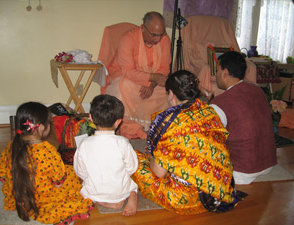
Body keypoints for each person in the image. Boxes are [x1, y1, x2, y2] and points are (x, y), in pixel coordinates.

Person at [132, 70, 246, 215]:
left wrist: (152, 157)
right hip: (219, 192)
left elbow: (158, 173)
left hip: (185, 199)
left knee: (133, 159)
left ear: (171, 94)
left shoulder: (167, 121)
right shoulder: (210, 112)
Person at [0, 102, 94, 225]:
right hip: (43, 199)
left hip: (17, 195)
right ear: (42, 127)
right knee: (70, 175)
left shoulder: (11, 145)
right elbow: (58, 184)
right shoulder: (48, 151)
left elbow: (2, 175)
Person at [211, 51, 277, 185]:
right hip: (268, 163)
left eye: (217, 70)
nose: (215, 75)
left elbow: (210, 139)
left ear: (225, 72)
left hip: (242, 170)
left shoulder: (220, 102)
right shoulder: (258, 91)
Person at [105, 11, 171, 139]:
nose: (158, 39)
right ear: (143, 28)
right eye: (154, 35)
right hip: (130, 80)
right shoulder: (128, 39)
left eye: (161, 34)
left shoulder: (165, 39)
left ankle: (155, 127)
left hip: (153, 84)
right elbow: (128, 71)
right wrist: (151, 78)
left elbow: (164, 69)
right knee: (122, 87)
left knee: (169, 92)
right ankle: (135, 129)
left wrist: (151, 85)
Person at [74, 94, 138, 216]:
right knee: (133, 180)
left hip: (95, 191)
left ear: (91, 118)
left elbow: (80, 172)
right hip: (121, 191)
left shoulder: (84, 144)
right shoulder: (123, 143)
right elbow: (132, 168)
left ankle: (102, 201)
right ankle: (132, 193)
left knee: (85, 190)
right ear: (118, 122)